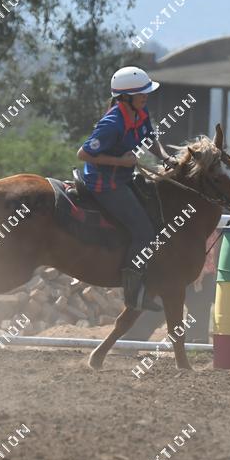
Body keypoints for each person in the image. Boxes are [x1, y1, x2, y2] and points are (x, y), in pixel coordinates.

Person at [77, 66, 176, 311]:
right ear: (125, 97)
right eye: (141, 93)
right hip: (104, 184)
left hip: (123, 178)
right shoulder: (112, 123)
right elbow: (83, 154)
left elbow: (150, 138)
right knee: (145, 232)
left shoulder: (140, 112)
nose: (146, 96)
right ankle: (134, 294)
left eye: (146, 92)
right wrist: (120, 162)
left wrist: (165, 157)